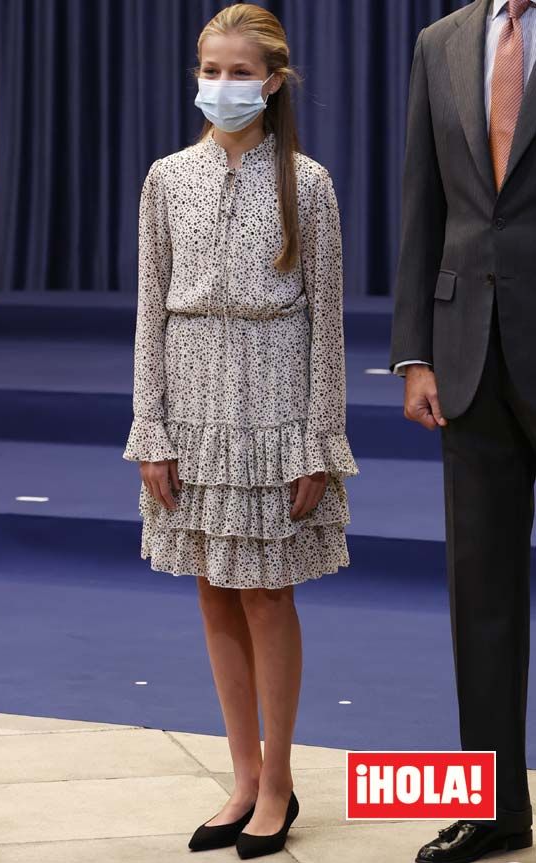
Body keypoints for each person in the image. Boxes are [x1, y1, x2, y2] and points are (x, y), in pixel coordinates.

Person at [122, 3, 358, 858]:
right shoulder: (165, 178)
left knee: (266, 592)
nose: (220, 86)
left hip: (272, 409)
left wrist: (316, 441)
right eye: (208, 70)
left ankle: (283, 781)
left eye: (236, 71)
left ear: (273, 79)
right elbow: (151, 310)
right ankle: (243, 774)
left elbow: (326, 326)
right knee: (211, 585)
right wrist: (152, 426)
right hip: (189, 404)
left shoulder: (312, 183)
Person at [390, 0, 536, 861]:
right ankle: (494, 810)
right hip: (465, 352)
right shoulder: (438, 41)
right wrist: (414, 351)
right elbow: (424, 202)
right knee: (478, 596)